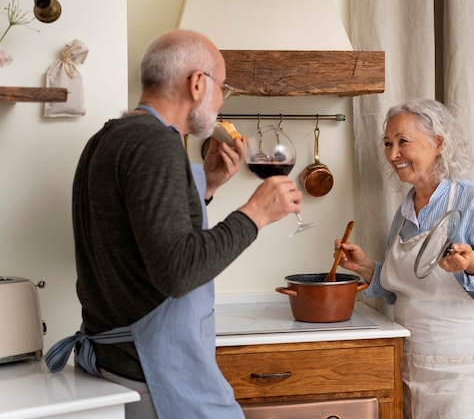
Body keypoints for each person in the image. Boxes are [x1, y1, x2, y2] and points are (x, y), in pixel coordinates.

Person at [44, 29, 302, 418]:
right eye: (222, 88)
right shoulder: (156, 143)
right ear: (197, 83)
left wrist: (208, 183)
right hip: (156, 376)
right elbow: (177, 271)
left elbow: (136, 237)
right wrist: (255, 214)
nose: (220, 101)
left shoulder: (108, 137)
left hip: (117, 366)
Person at [334, 99, 474, 419]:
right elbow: (402, 289)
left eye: (403, 142)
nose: (393, 154)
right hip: (409, 362)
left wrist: (472, 263)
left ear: (438, 143)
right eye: (387, 143)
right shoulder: (404, 212)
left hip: (462, 368)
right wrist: (366, 267)